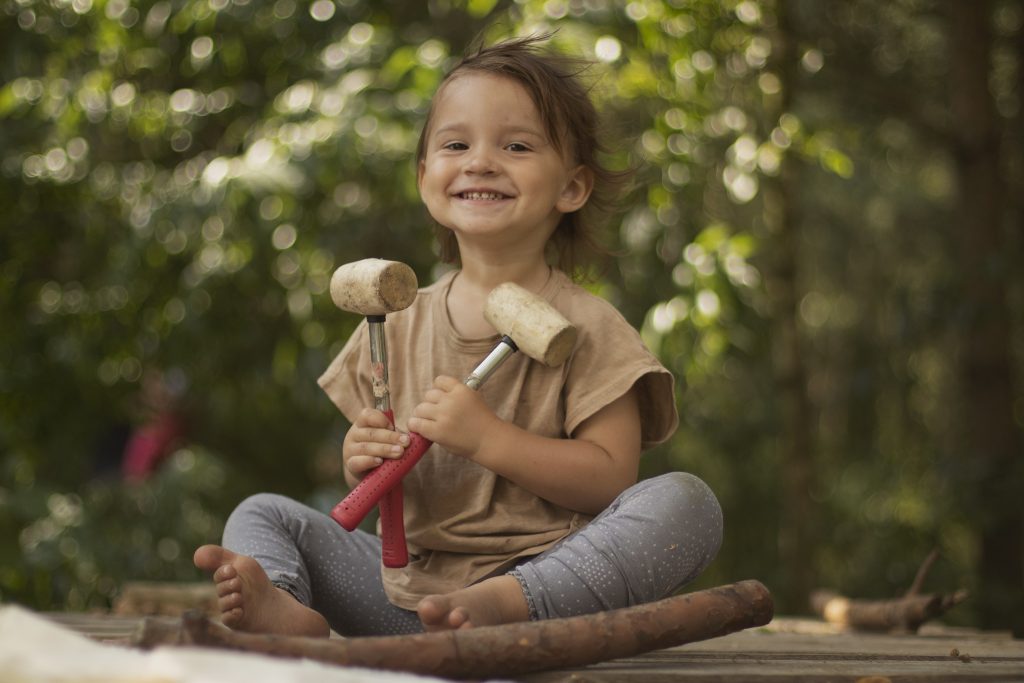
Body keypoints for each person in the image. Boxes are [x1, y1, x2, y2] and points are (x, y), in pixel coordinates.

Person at [194, 34, 723, 637]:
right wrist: (359, 459)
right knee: (262, 513)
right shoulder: (396, 318)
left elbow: (609, 479)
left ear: (572, 187)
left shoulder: (592, 328)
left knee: (688, 502)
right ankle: (286, 611)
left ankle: (506, 603)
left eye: (517, 145)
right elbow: (384, 477)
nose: (481, 161)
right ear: (426, 179)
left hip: (548, 592)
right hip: (409, 596)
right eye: (456, 144)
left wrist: (489, 438)